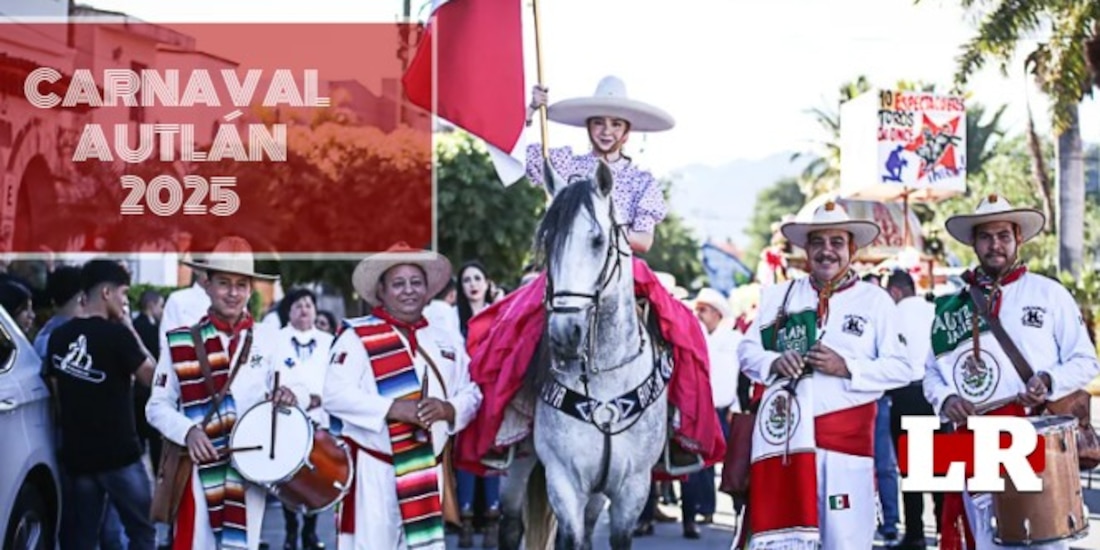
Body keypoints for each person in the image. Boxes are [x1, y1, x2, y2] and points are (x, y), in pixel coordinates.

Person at [458, 75, 724, 478]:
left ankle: (673, 429)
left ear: (627, 132)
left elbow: (645, 240)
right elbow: (510, 152)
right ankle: (514, 421)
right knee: (510, 329)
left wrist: (605, 231)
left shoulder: (641, 180)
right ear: (589, 126)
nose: (607, 131)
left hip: (624, 270)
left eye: (616, 125)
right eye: (600, 122)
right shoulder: (565, 163)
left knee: (684, 332)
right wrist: (529, 112)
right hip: (572, 270)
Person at [925, 195, 1100, 550]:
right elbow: (931, 374)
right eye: (986, 237)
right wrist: (947, 399)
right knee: (981, 541)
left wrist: (1049, 381)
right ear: (974, 243)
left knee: (1042, 541)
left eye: (1003, 235)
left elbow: (1086, 361)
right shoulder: (950, 307)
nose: (995, 245)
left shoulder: (1049, 294)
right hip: (972, 441)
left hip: (1034, 439)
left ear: (1018, 238)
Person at [737, 201, 911, 549]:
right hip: (784, 446)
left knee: (844, 542)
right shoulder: (778, 297)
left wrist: (846, 366)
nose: (826, 251)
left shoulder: (875, 301)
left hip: (846, 452)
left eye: (836, 242)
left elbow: (903, 367)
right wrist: (773, 362)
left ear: (852, 248)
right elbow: (747, 352)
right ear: (806, 248)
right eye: (818, 242)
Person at [146, 237, 304, 550]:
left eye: (241, 284)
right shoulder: (181, 342)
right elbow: (156, 406)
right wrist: (188, 432)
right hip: (197, 467)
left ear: (251, 289)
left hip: (251, 468)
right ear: (206, 284)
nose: (233, 293)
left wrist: (290, 393)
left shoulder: (270, 338)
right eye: (224, 283)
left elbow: (298, 385)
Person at [323, 243, 482, 549]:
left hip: (427, 472)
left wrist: (448, 409)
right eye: (398, 283)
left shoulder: (444, 339)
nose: (408, 290)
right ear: (381, 291)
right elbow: (334, 395)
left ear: (427, 290)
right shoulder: (356, 337)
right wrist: (392, 408)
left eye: (416, 282)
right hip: (374, 472)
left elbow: (472, 392)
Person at [47, 260, 157, 550]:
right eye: (123, 293)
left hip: (78, 458)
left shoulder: (58, 338)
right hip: (120, 457)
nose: (125, 301)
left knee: (81, 539)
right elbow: (152, 377)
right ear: (107, 292)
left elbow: (58, 398)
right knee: (142, 533)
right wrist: (130, 327)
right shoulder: (118, 336)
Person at [884, 269, 942, 550]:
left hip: (906, 395)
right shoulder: (934, 310)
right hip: (937, 394)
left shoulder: (893, 316)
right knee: (941, 468)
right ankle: (946, 531)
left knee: (912, 471)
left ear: (895, 291)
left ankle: (916, 534)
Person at [272, 287, 333, 550]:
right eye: (298, 305)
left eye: (309, 304)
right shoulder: (276, 341)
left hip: (320, 419)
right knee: (287, 479)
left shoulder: (330, 342)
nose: (305, 309)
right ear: (289, 312)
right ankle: (290, 531)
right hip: (287, 418)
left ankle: (310, 532)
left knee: (315, 476)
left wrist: (320, 398)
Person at [680, 287, 742, 538]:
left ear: (717, 313)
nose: (699, 314)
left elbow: (743, 376)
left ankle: (740, 516)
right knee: (694, 465)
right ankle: (691, 516)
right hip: (699, 410)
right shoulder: (694, 336)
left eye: (703, 310)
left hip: (727, 409)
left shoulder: (735, 339)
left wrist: (738, 406)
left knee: (734, 465)